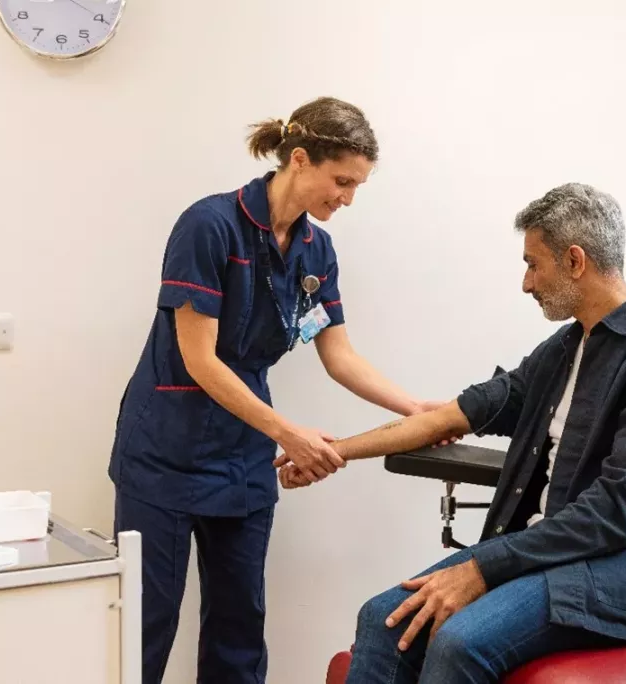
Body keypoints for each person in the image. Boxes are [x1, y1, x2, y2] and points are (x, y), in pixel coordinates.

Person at [277, 183, 626, 683]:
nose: (526, 283)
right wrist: (332, 451)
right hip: (551, 548)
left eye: (534, 264)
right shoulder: (566, 349)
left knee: (459, 640)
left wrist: (485, 567)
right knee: (380, 620)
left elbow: (617, 514)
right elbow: (450, 416)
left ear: (575, 260)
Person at [108, 96, 441, 684]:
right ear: (299, 159)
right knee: (143, 624)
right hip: (164, 450)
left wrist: (414, 408)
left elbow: (338, 356)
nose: (347, 198)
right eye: (341, 181)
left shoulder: (317, 251)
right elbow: (200, 360)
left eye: (358, 186)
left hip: (242, 457)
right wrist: (288, 431)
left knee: (240, 627)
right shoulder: (209, 225)